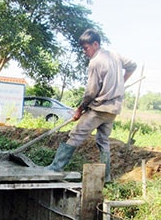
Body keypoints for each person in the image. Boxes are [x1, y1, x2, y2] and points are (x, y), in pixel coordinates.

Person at [46, 28, 137, 183]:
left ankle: (55, 168)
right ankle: (106, 177)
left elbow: (91, 92)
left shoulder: (95, 62)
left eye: (86, 48)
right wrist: (121, 82)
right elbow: (132, 65)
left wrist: (80, 109)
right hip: (113, 109)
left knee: (75, 135)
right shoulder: (115, 55)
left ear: (95, 44)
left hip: (99, 109)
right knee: (103, 141)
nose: (84, 51)